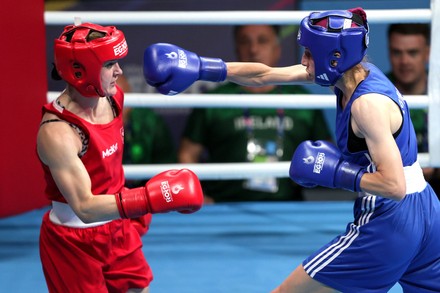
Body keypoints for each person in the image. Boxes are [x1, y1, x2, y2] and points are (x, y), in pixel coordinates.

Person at [143, 7, 440, 292]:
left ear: (334, 57)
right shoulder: (356, 73)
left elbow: (393, 185)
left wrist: (338, 173)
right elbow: (265, 75)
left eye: (310, 53)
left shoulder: (366, 105)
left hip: (391, 219)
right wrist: (203, 68)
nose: (304, 59)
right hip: (428, 210)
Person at [37, 22, 204, 292]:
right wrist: (148, 199)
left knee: (138, 288)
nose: (119, 71)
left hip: (117, 224)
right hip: (74, 239)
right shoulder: (58, 133)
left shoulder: (114, 98)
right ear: (82, 71)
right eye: (109, 64)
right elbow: (85, 207)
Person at [179, 25, 331, 203]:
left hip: (289, 208)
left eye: (262, 41)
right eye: (245, 42)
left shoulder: (302, 99)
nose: (253, 49)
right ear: (236, 49)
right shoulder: (214, 100)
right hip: (223, 207)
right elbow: (187, 154)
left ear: (277, 49)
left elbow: (326, 155)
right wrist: (199, 198)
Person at [386, 23, 440, 198]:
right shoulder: (372, 91)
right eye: (397, 52)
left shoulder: (438, 90)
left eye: (413, 52)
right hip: (388, 190)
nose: (404, 61)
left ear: (427, 53)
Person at [117, 75, 177, 188]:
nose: (114, 109)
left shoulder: (150, 123)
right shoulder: (88, 126)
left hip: (148, 194)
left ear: (130, 105)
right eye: (107, 101)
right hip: (104, 197)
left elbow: (167, 170)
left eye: (120, 101)